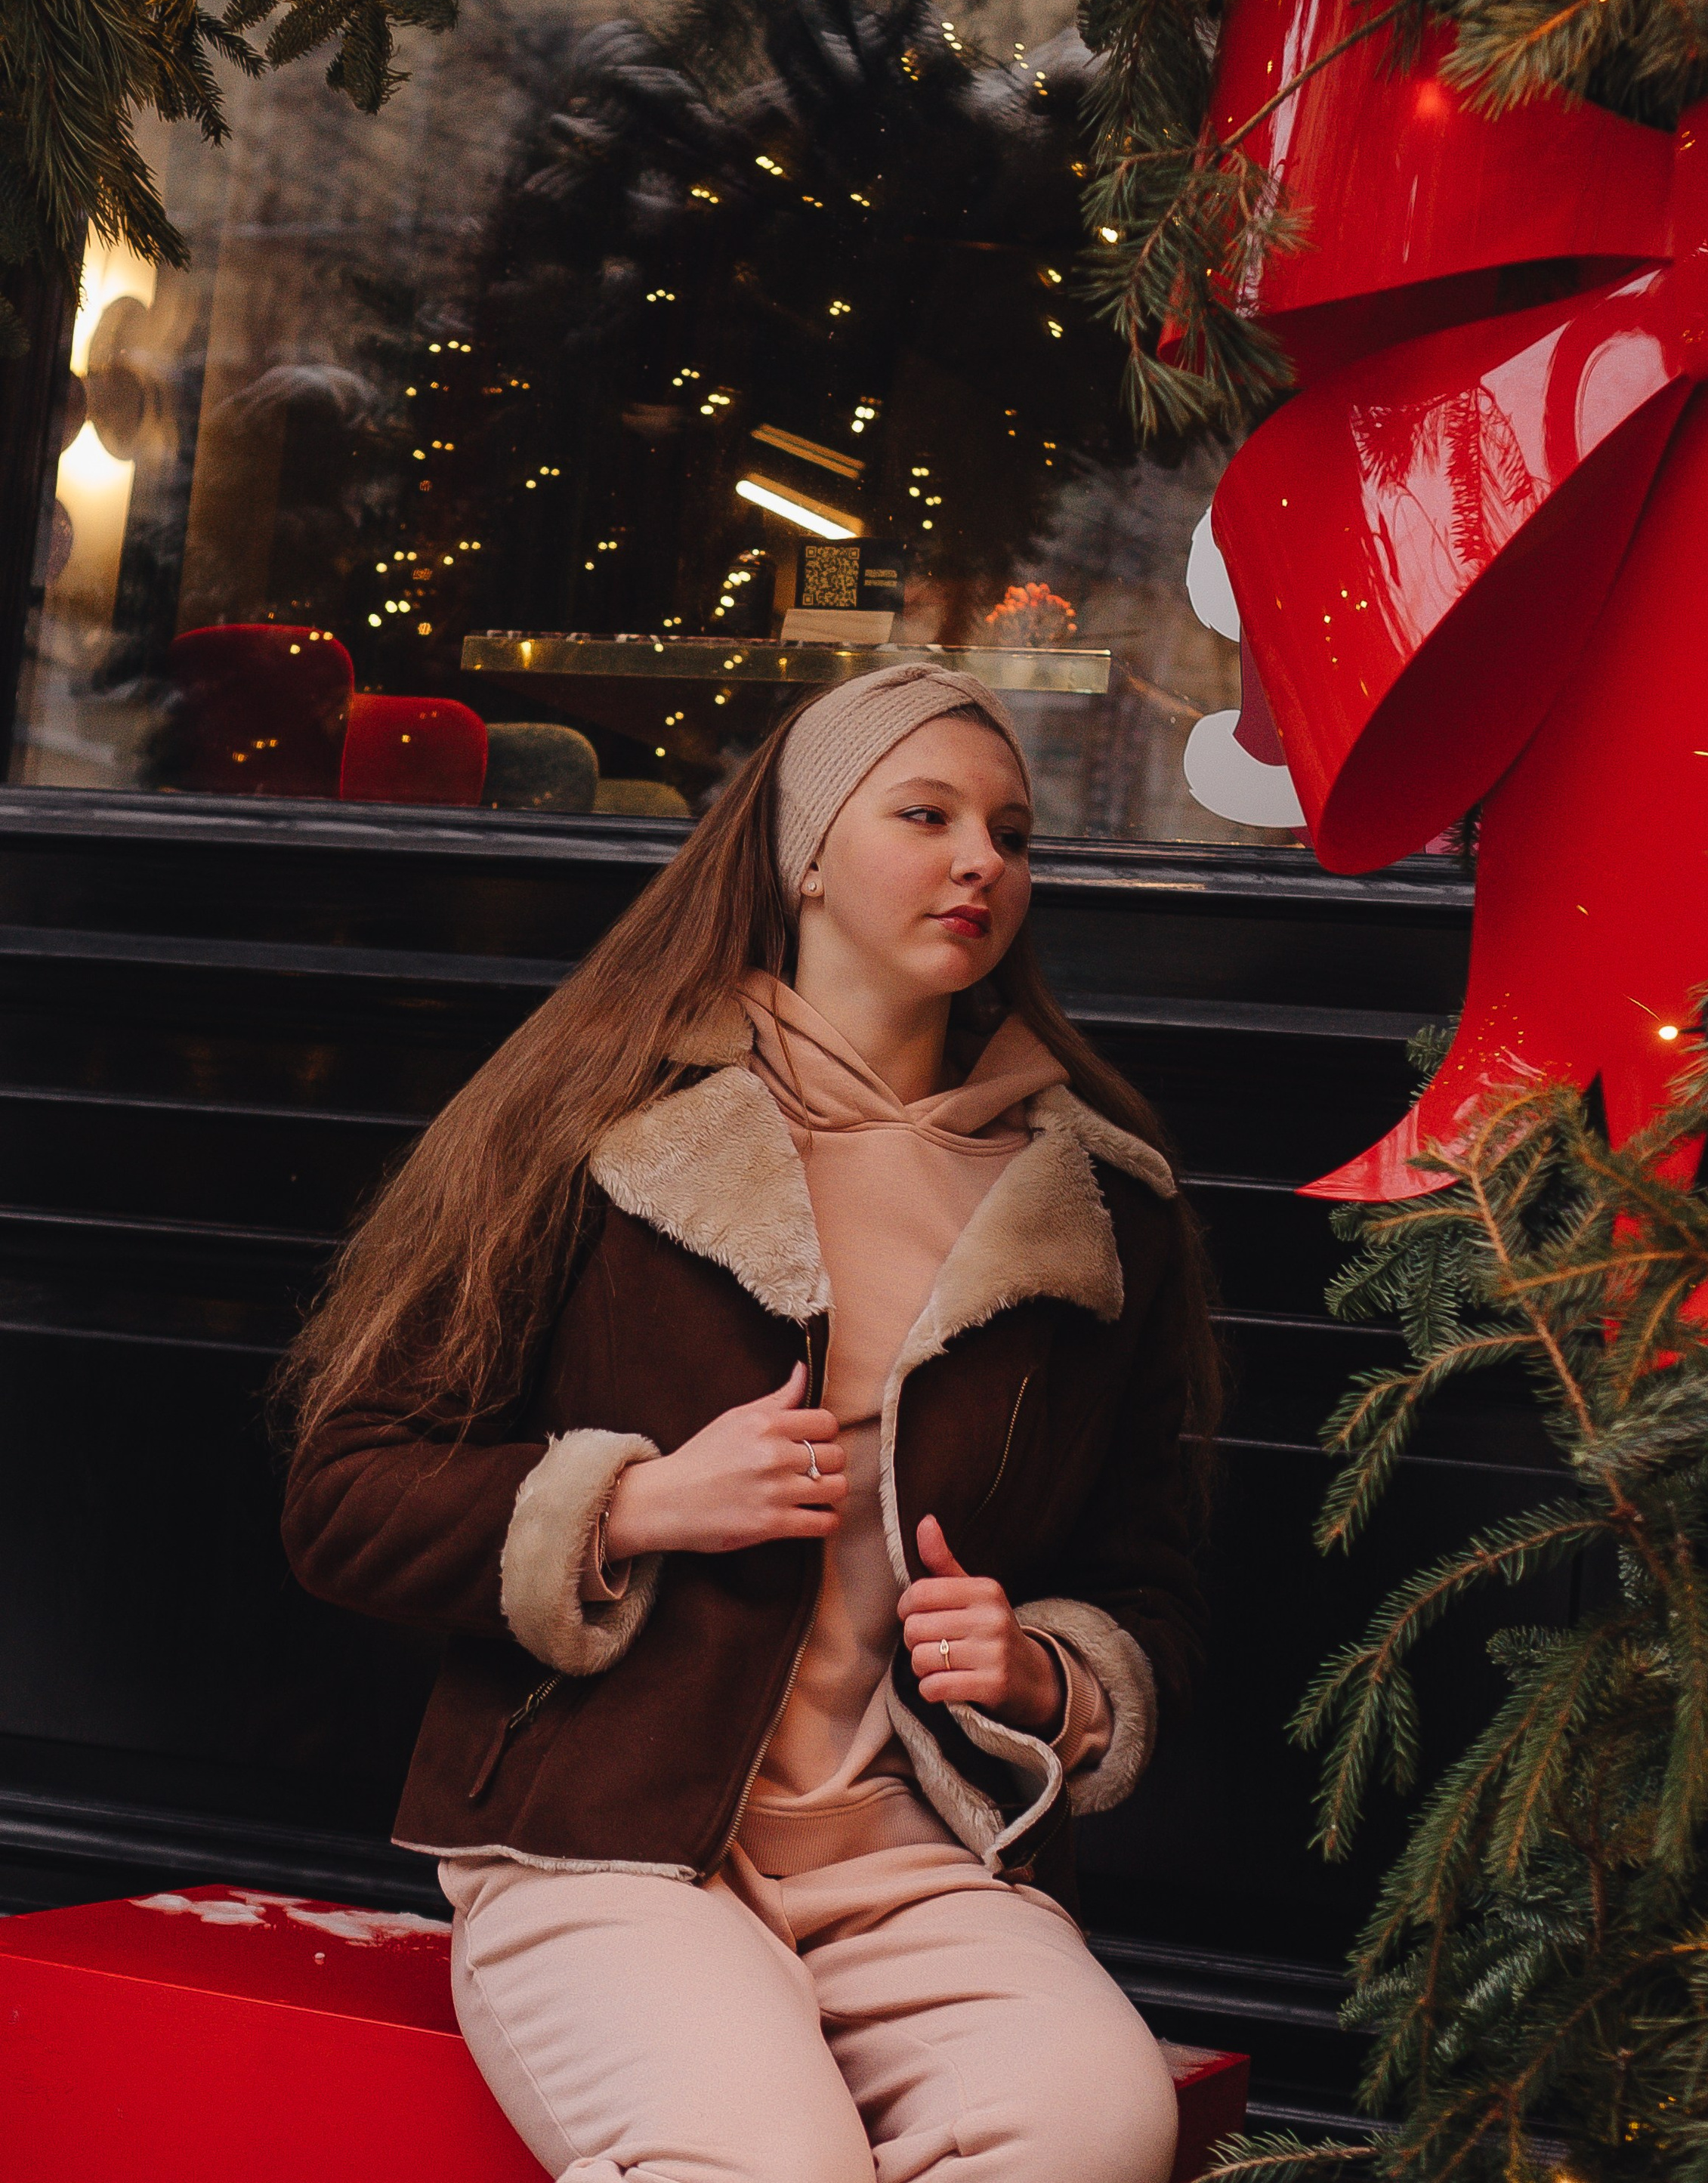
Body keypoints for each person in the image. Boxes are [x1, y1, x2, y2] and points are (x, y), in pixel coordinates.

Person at [280, 662, 1219, 2183]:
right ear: (801, 850)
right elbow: (345, 1494)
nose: (980, 859)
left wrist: (1049, 1672)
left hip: (920, 1862)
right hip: (606, 1843)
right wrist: (632, 1505)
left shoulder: (1101, 1199)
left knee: (1094, 2125)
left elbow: (1149, 1582)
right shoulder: (598, 1126)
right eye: (924, 815)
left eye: (1011, 831)